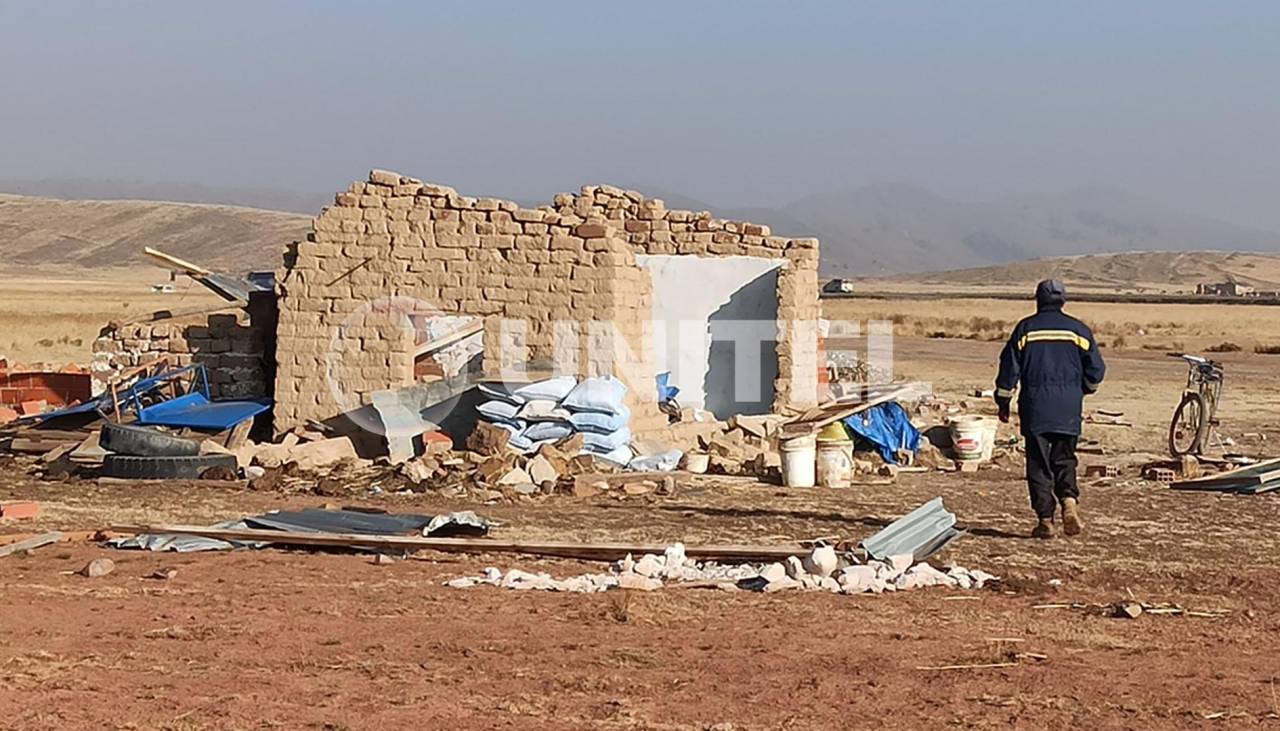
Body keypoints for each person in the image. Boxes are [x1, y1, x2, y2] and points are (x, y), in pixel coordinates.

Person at [995, 279, 1105, 539]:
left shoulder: (1025, 330)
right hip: (1068, 408)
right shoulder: (1078, 330)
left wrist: (1003, 402)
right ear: (1063, 301)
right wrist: (1085, 389)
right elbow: (1096, 371)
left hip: (1035, 408)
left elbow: (1008, 370)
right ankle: (1069, 500)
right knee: (1065, 459)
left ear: (1038, 299)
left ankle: (1045, 519)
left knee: (1038, 464)